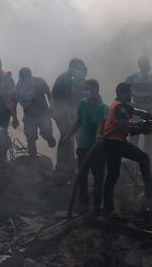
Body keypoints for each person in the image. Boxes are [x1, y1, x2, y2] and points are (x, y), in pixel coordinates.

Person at [97, 82, 152, 213]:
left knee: (113, 175)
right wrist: (140, 128)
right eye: (129, 92)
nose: (131, 94)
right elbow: (122, 126)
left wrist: (151, 116)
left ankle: (107, 207)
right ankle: (150, 193)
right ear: (122, 93)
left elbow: (136, 111)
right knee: (142, 159)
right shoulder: (119, 108)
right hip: (115, 143)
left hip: (114, 143)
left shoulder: (122, 106)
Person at [61, 79, 108, 210]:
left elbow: (101, 126)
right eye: (85, 90)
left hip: (97, 148)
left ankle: (97, 205)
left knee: (98, 176)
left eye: (89, 90)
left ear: (96, 90)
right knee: (82, 175)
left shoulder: (103, 107)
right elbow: (79, 121)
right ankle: (84, 203)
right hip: (83, 146)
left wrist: (98, 138)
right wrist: (68, 135)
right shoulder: (83, 103)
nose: (86, 92)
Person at [51, 58, 87, 175]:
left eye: (80, 69)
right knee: (66, 136)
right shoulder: (62, 79)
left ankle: (76, 164)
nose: (78, 71)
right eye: (77, 68)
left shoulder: (81, 81)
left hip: (76, 112)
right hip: (62, 112)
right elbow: (56, 97)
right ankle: (62, 165)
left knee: (79, 137)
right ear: (70, 67)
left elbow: (84, 97)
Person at [125, 56, 152, 159]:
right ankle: (132, 164)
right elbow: (122, 89)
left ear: (149, 65)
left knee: (149, 139)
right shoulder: (133, 78)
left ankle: (149, 163)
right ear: (139, 65)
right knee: (133, 140)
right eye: (143, 64)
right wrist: (129, 104)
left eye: (146, 64)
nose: (145, 66)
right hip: (136, 113)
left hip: (148, 112)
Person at [11, 67, 56, 157]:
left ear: (30, 75)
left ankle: (48, 137)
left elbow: (48, 93)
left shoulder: (39, 82)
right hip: (29, 117)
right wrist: (14, 118)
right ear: (21, 78)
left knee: (47, 133)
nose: (26, 80)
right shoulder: (18, 90)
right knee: (30, 140)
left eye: (27, 77)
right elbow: (13, 104)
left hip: (43, 114)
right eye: (23, 78)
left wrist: (52, 106)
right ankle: (33, 163)